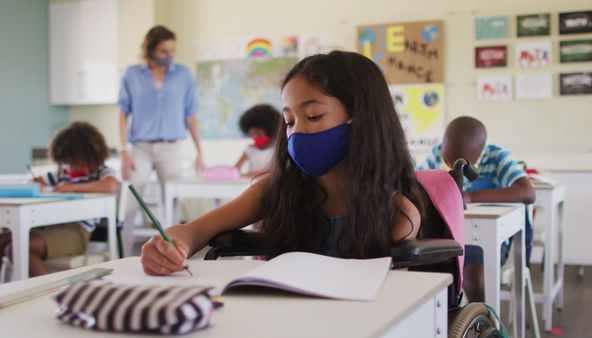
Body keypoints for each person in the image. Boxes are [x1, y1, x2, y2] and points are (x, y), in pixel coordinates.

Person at [140, 50, 437, 275]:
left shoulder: (397, 212)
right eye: (289, 120)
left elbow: (391, 302)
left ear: (362, 119)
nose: (298, 133)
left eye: (314, 116)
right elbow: (194, 230)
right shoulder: (276, 189)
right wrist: (170, 245)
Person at [418, 116, 535, 302]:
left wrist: (470, 196)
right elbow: (416, 184)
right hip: (448, 234)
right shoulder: (437, 153)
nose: (450, 168)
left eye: (458, 166)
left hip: (485, 240)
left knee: (473, 275)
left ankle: (480, 323)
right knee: (421, 265)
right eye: (447, 161)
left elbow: (527, 193)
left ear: (477, 157)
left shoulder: (498, 157)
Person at [117, 25, 205, 255]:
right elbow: (122, 113)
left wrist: (200, 151)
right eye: (164, 51)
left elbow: (191, 114)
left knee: (171, 207)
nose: (169, 56)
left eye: (172, 51)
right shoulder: (132, 75)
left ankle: (171, 254)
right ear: (150, 49)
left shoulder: (183, 75)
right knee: (131, 204)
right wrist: (123, 150)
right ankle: (123, 256)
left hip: (171, 147)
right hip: (140, 148)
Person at [0, 122, 119, 276]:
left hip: (75, 233)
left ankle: (49, 295)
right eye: (65, 161)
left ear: (87, 155)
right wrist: (36, 184)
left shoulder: (100, 172)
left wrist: (72, 187)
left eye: (72, 160)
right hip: (47, 227)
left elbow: (111, 186)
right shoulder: (61, 174)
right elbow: (35, 181)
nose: (68, 167)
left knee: (16, 248)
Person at [234, 104, 280, 177]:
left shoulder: (276, 149)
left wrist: (244, 175)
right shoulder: (250, 149)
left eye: (259, 134)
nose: (256, 137)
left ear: (270, 131)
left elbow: (272, 172)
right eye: (253, 134)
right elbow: (235, 169)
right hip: (250, 184)